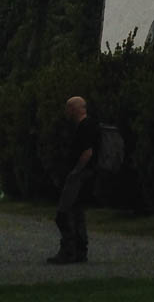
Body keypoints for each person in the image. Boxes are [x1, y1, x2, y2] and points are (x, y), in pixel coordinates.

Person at [47, 96, 98, 264]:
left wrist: (75, 171)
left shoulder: (85, 127)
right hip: (86, 175)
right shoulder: (91, 125)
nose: (66, 111)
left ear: (75, 108)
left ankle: (68, 251)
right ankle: (80, 251)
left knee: (63, 213)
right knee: (77, 212)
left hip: (79, 176)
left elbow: (87, 152)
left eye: (68, 107)